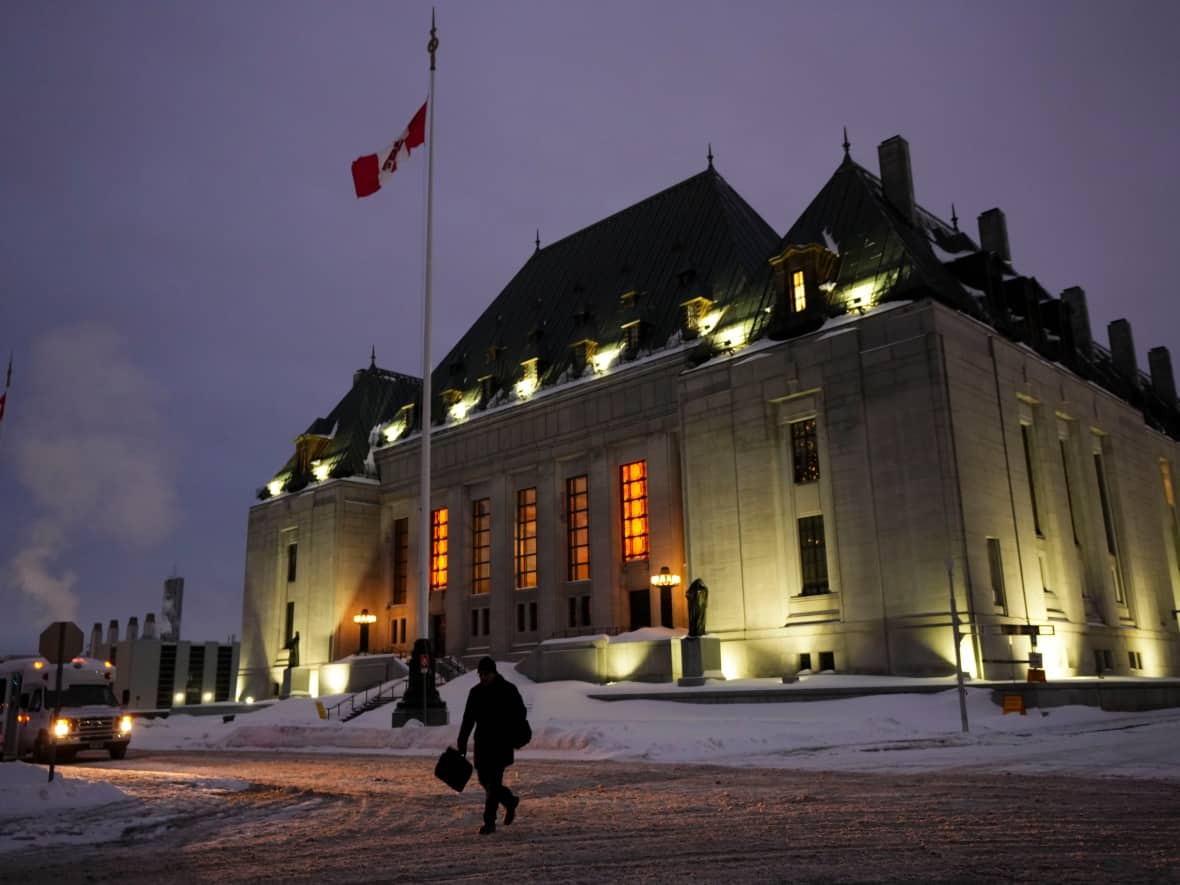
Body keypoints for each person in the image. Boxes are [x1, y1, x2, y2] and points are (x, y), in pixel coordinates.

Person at [456, 656, 527, 835]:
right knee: (484, 781)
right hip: (482, 744)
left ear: (494, 672)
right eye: (480, 674)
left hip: (501, 744)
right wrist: (462, 740)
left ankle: (489, 822)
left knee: (493, 783)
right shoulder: (476, 692)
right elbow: (468, 719)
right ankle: (510, 801)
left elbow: (521, 713)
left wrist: (513, 730)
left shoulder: (508, 690)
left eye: (486, 674)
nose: (483, 677)